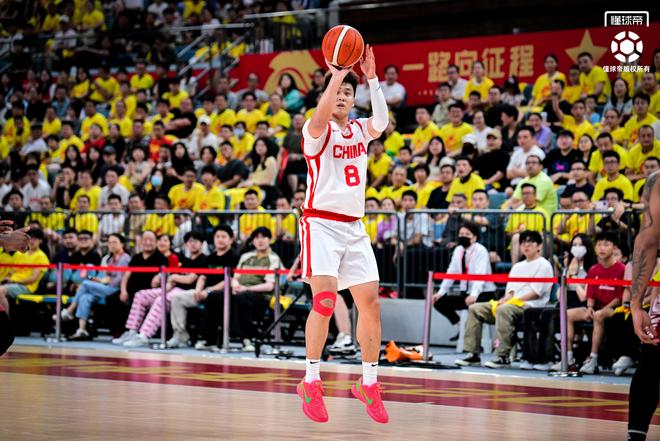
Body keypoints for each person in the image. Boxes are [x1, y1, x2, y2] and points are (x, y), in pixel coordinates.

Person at [296, 45, 389, 423]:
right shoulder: (315, 130)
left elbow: (381, 121)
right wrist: (335, 75)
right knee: (325, 300)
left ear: (353, 100)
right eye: (336, 91)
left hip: (353, 226)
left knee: (370, 303)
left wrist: (372, 78)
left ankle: (369, 384)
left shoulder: (359, 130)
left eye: (348, 92)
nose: (341, 96)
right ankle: (311, 381)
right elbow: (319, 118)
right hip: (320, 223)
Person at [455, 230, 553, 368]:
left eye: (530, 242)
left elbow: (535, 293)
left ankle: (502, 356)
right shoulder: (517, 266)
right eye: (523, 242)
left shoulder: (544, 265)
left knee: (503, 309)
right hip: (511, 304)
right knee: (475, 308)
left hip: (531, 306)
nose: (526, 245)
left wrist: (510, 301)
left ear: (539, 246)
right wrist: (505, 299)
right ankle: (473, 354)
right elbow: (510, 291)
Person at [562, 232, 626, 374]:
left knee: (599, 315)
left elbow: (620, 297)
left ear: (614, 248)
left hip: (614, 308)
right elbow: (590, 293)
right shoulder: (593, 269)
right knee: (567, 314)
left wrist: (603, 309)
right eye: (599, 244)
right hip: (594, 307)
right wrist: (590, 307)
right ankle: (568, 357)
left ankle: (592, 358)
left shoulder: (622, 269)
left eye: (606, 245)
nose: (602, 248)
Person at [627, 169, 660, 441]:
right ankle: (636, 435)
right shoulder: (657, 182)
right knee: (652, 356)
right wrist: (635, 304)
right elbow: (647, 240)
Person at [170, 225, 240, 350]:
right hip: (204, 292)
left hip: (222, 294)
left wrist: (209, 290)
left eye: (224, 237)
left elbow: (228, 279)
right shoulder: (210, 257)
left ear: (231, 239)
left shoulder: (234, 257)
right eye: (217, 236)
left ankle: (210, 340)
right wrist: (198, 290)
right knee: (177, 298)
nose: (220, 239)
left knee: (213, 297)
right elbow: (202, 277)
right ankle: (180, 334)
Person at [61, 233, 131, 341]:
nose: (111, 245)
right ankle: (82, 329)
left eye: (114, 242)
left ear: (122, 244)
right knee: (85, 297)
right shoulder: (110, 259)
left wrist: (105, 281)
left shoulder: (124, 258)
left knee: (85, 284)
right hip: (103, 287)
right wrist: (98, 280)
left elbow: (120, 279)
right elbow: (101, 277)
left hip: (114, 289)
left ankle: (70, 310)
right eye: (109, 243)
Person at [432, 222, 496, 336]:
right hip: (465, 293)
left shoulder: (481, 250)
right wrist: (441, 292)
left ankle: (471, 333)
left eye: (467, 234)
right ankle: (461, 325)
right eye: (461, 234)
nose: (463, 236)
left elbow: (480, 275)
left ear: (474, 237)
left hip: (483, 293)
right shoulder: (458, 250)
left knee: (473, 304)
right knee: (439, 302)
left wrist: (474, 295)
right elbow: (451, 272)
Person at [0, 228, 50, 312]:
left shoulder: (41, 257)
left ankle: (5, 319)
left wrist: (13, 280)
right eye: (30, 238)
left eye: (35, 239)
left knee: (0, 291)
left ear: (40, 240)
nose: (31, 241)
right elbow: (11, 272)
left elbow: (33, 279)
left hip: (27, 287)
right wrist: (8, 279)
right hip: (12, 283)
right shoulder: (20, 254)